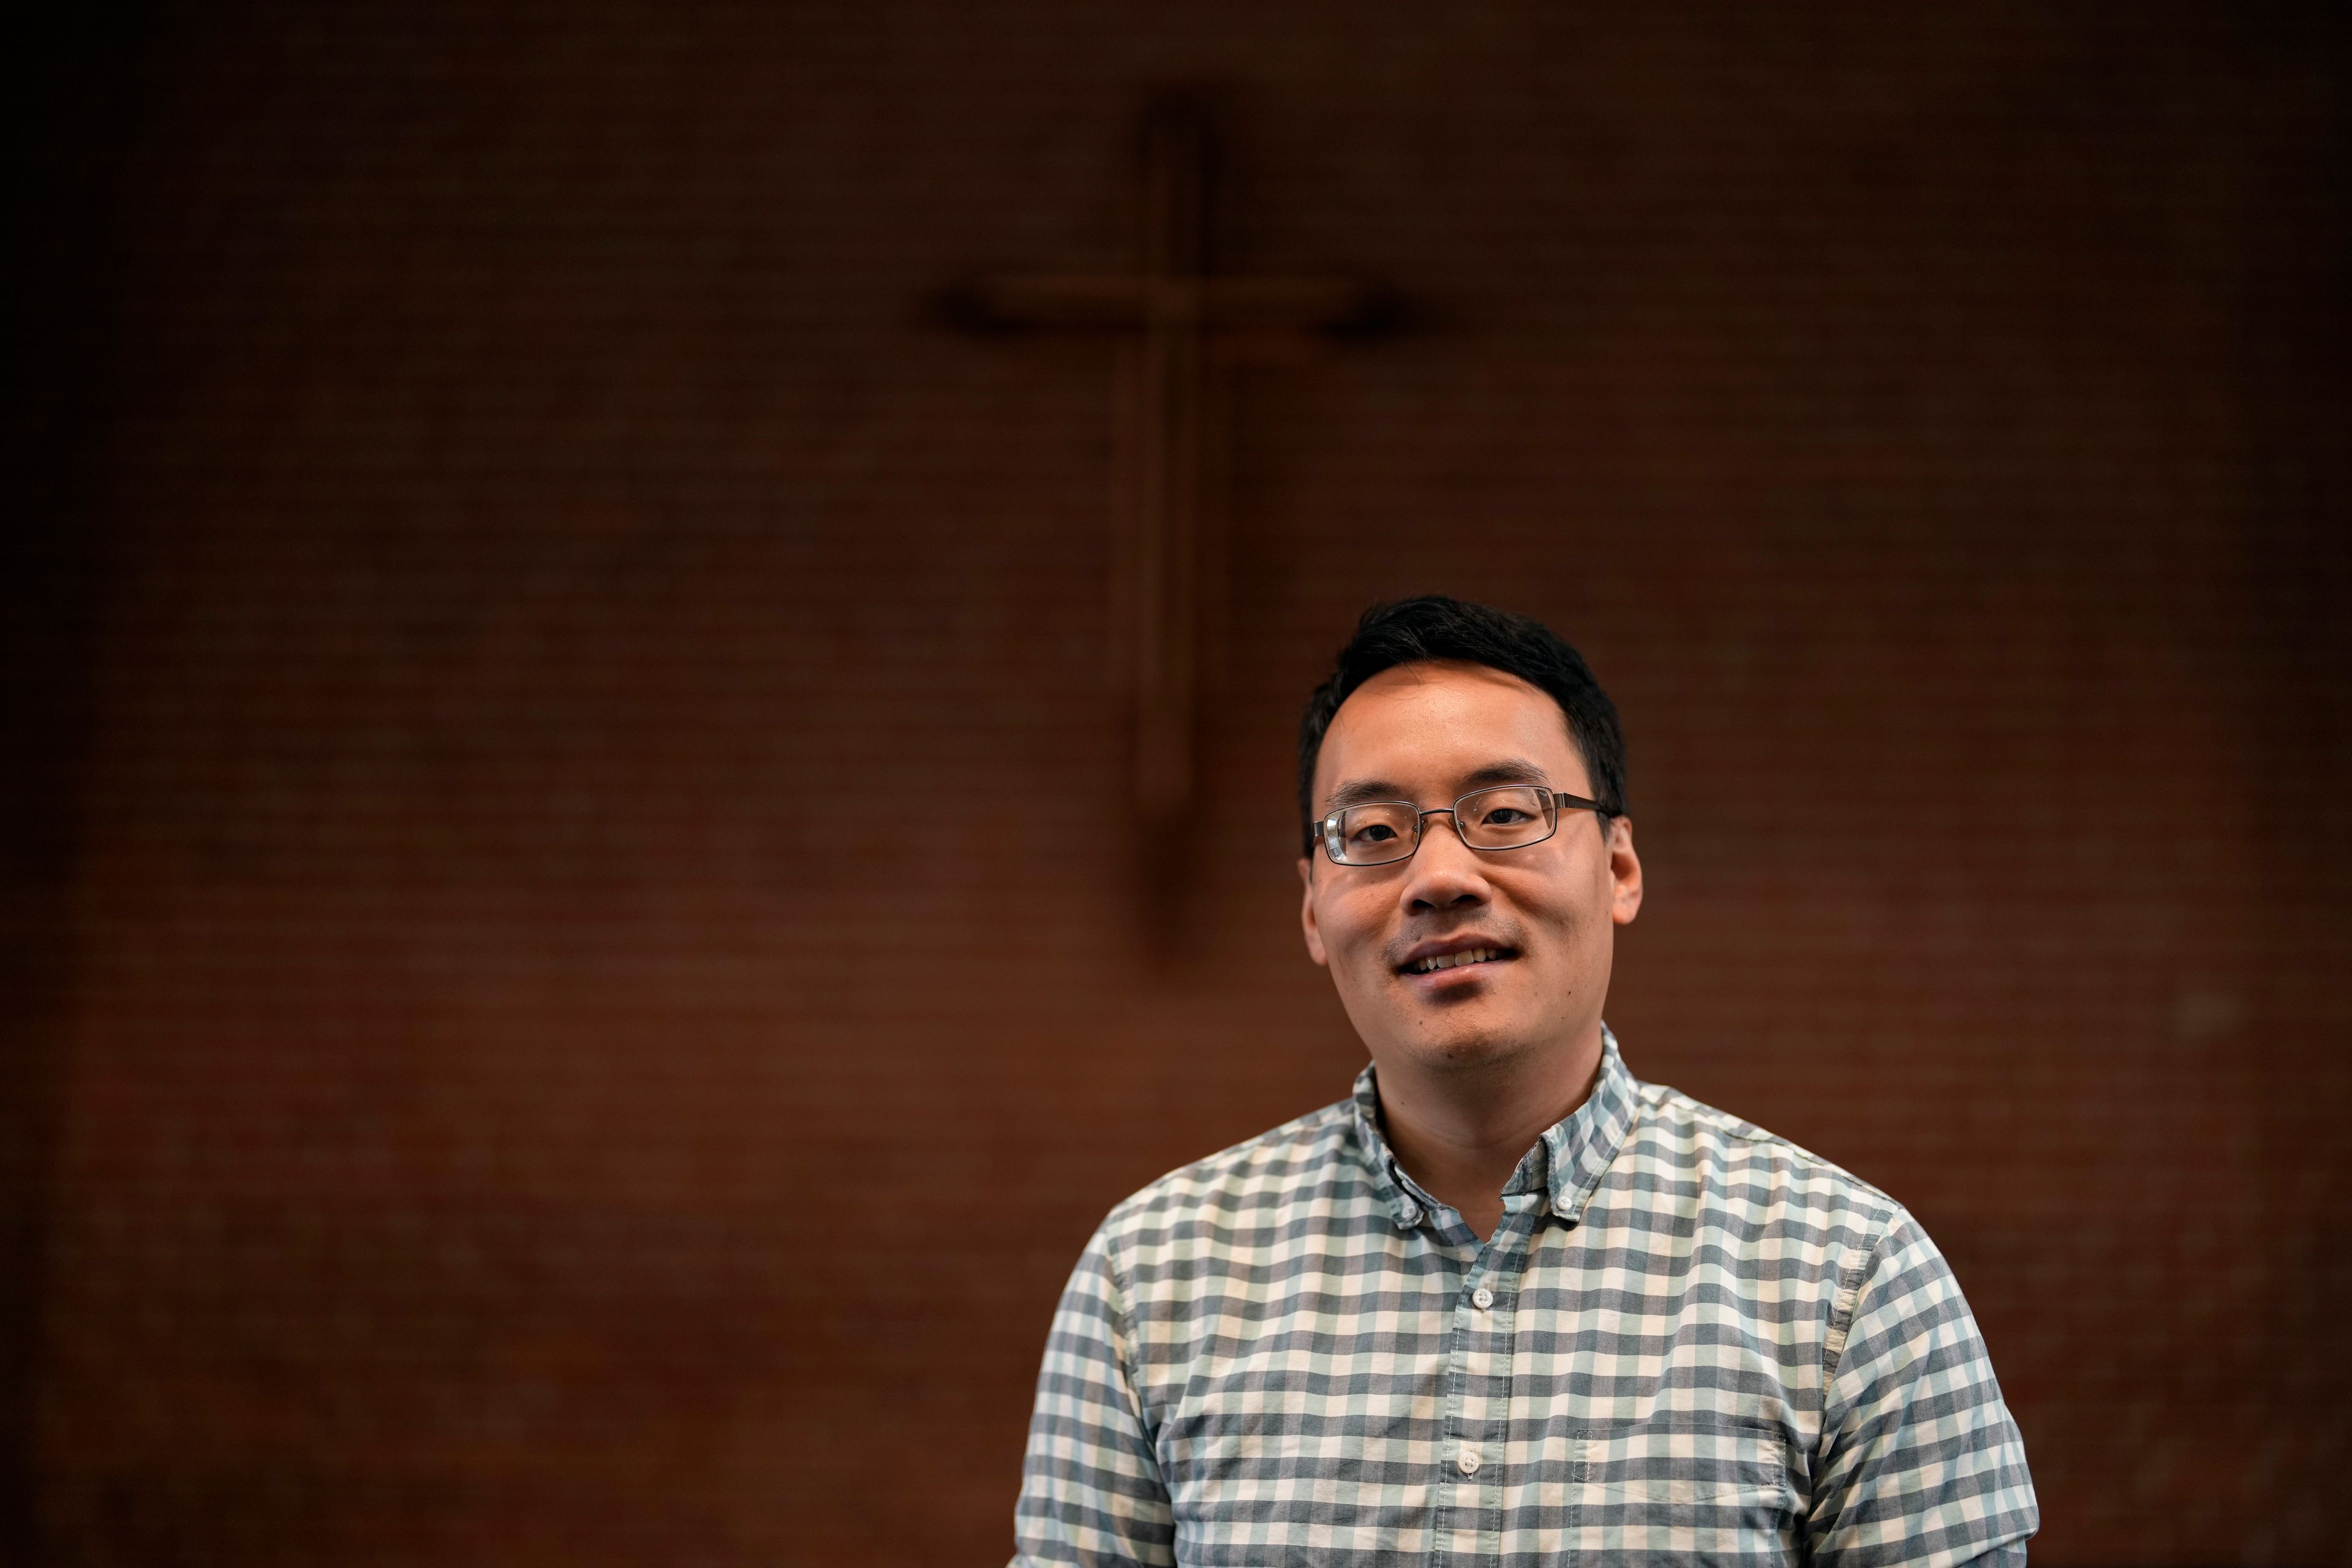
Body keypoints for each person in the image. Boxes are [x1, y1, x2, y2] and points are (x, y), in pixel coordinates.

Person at [1011, 596, 2037, 1566]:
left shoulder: (1846, 1278)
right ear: (1313, 912)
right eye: (1373, 834)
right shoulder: (1154, 1277)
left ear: (1620, 868)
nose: (1441, 876)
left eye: (1505, 813)